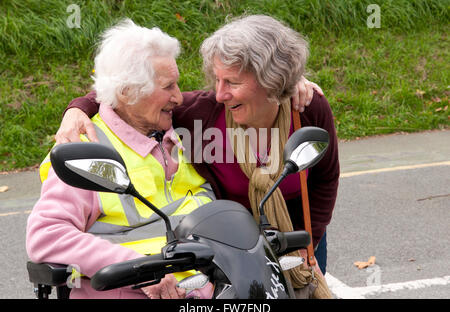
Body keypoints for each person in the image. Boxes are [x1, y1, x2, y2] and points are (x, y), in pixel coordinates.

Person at [56, 15, 339, 295]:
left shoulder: (308, 110)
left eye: (232, 82)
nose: (220, 94)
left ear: (272, 80)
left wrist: (308, 240)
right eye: (217, 79)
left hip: (298, 238)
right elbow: (128, 95)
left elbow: (325, 178)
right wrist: (77, 109)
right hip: (235, 250)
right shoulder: (202, 114)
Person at [26, 19, 217, 299]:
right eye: (168, 86)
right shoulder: (87, 148)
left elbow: (248, 90)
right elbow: (46, 235)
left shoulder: (182, 131)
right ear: (127, 92)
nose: (178, 97)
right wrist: (142, 272)